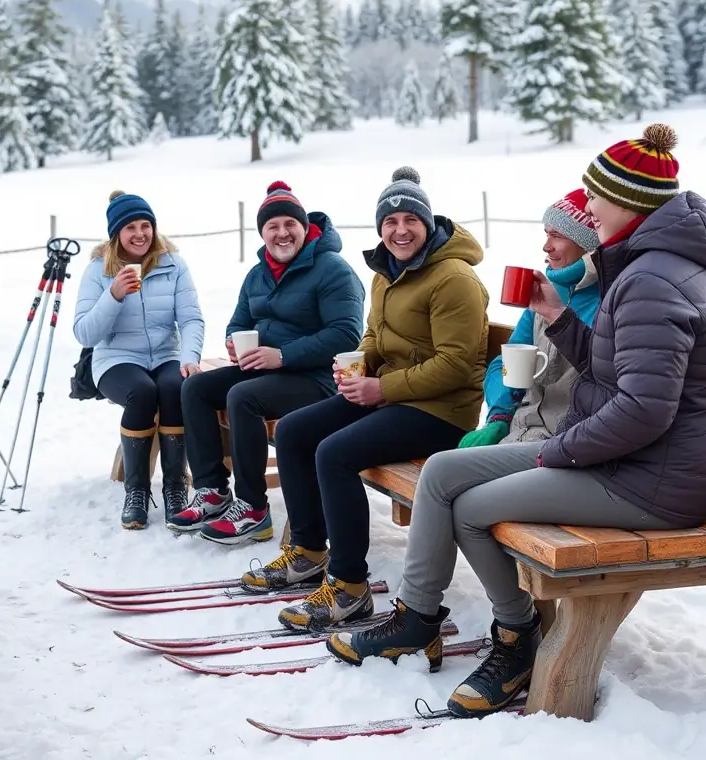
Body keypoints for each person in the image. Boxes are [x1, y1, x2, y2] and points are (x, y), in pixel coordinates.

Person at [326, 124, 706, 720]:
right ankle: (417, 618)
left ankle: (516, 637)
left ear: (630, 203)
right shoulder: (649, 268)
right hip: (631, 457)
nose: (591, 207)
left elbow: (643, 410)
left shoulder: (651, 279)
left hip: (651, 478)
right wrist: (558, 321)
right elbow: (619, 373)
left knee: (472, 506)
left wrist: (561, 450)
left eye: (596, 197)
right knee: (446, 473)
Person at [242, 166, 490, 631]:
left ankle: (351, 587)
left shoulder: (453, 278)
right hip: (391, 397)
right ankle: (309, 552)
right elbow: (377, 333)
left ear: (427, 223)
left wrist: (381, 387)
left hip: (441, 412)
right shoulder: (387, 272)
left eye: (410, 222)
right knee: (295, 431)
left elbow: (456, 365)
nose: (399, 231)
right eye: (390, 223)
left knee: (335, 453)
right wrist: (358, 362)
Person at [169, 181, 365, 544]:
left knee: (243, 397)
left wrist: (284, 355)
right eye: (272, 226)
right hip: (266, 370)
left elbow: (346, 333)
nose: (282, 233)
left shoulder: (333, 269)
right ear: (262, 233)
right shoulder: (258, 274)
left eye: (290, 224)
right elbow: (239, 322)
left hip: (318, 378)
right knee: (195, 387)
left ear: (304, 228)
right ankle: (213, 491)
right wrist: (234, 342)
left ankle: (253, 508)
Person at [73, 191, 204, 531]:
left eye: (146, 225)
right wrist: (113, 294)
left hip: (165, 354)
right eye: (130, 227)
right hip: (116, 359)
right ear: (116, 233)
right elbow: (85, 334)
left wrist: (189, 357)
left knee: (176, 388)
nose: (140, 234)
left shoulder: (173, 264)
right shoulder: (97, 270)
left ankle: (176, 487)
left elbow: (191, 319)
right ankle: (137, 491)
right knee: (143, 392)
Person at [459, 188, 600, 448]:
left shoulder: (608, 299)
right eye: (546, 234)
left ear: (588, 242)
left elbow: (603, 376)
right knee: (445, 471)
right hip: (522, 430)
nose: (546, 246)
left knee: (446, 475)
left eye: (556, 236)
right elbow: (506, 361)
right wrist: (499, 416)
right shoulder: (548, 291)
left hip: (565, 442)